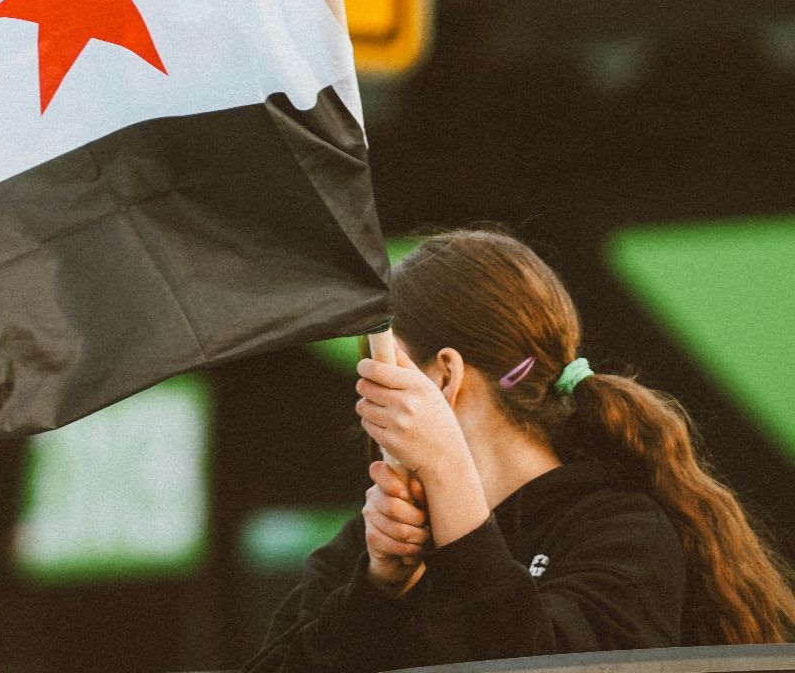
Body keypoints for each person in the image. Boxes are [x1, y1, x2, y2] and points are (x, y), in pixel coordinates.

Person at [245, 228, 795, 673]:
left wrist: (448, 474)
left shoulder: (620, 530)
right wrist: (378, 593)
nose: (367, 400)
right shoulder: (373, 551)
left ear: (444, 378)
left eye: (384, 370)